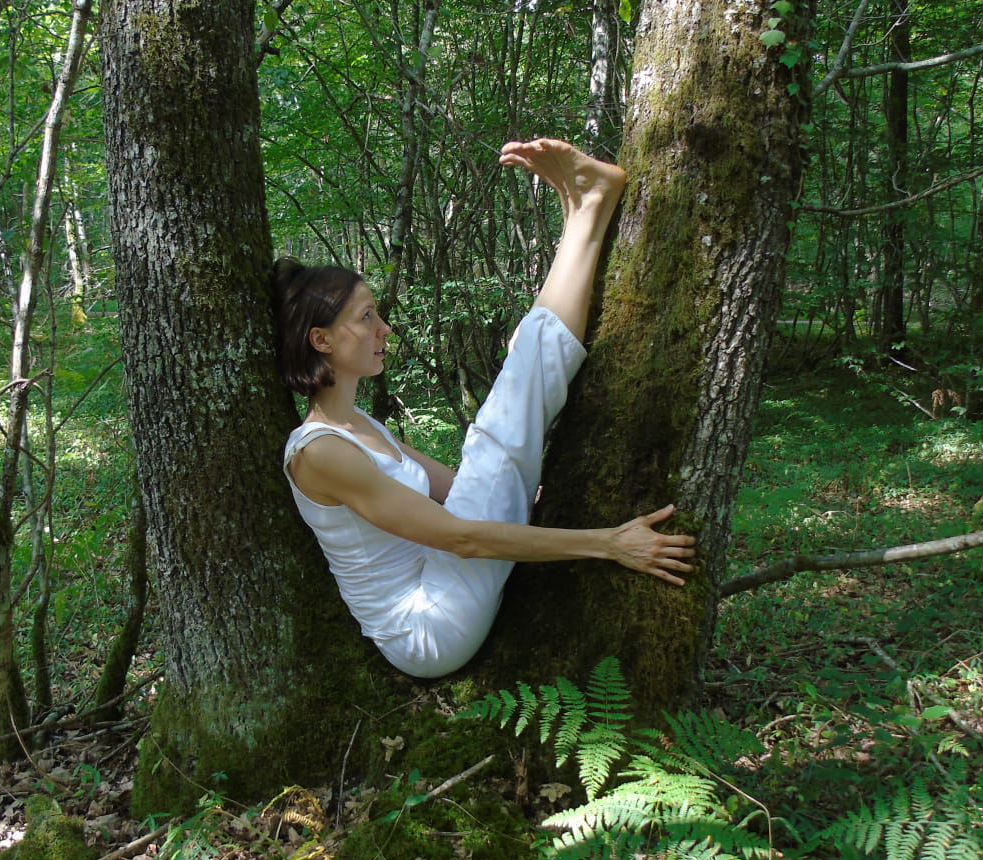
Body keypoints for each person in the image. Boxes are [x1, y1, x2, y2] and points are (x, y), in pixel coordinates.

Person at [274, 138, 694, 678]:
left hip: (440, 577)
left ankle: (584, 212)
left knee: (513, 387)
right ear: (321, 340)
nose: (383, 329)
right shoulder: (320, 453)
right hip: (426, 627)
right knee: (506, 415)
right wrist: (609, 544)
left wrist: (523, 491)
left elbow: (453, 489)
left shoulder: (356, 423)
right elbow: (462, 537)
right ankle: (589, 209)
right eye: (366, 317)